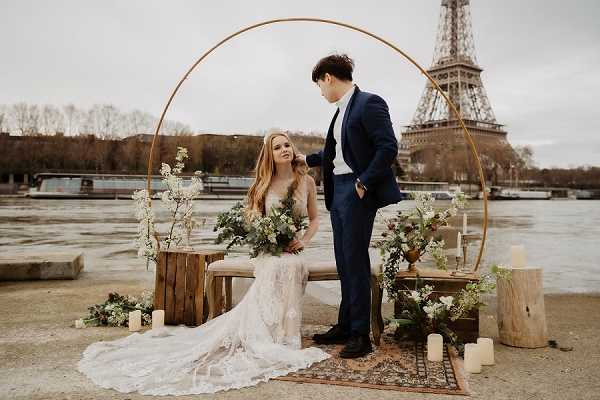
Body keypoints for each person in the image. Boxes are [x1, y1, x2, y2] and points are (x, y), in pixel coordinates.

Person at [78, 131, 329, 396]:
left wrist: (303, 241)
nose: (284, 150)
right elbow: (253, 220)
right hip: (270, 251)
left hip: (295, 249)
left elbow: (314, 220)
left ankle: (288, 336)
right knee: (280, 266)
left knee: (291, 266)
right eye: (277, 147)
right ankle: (273, 334)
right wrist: (266, 234)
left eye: (287, 144)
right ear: (270, 154)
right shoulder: (262, 184)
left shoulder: (307, 182)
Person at [298, 54, 402, 359]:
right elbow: (335, 151)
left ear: (328, 78)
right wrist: (306, 160)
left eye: (319, 85)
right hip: (339, 190)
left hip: (356, 189)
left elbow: (388, 147)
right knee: (344, 262)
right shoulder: (341, 112)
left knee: (355, 262)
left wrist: (364, 182)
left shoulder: (369, 103)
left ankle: (360, 334)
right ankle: (345, 325)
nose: (320, 92)